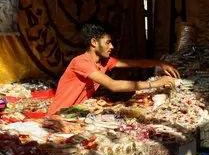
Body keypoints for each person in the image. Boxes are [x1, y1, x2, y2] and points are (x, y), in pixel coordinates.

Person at [47, 22, 180, 115]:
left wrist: (160, 63)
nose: (112, 47)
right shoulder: (81, 62)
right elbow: (114, 85)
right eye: (108, 42)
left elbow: (135, 63)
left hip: (76, 115)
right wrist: (155, 83)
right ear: (94, 42)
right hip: (59, 116)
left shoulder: (105, 62)